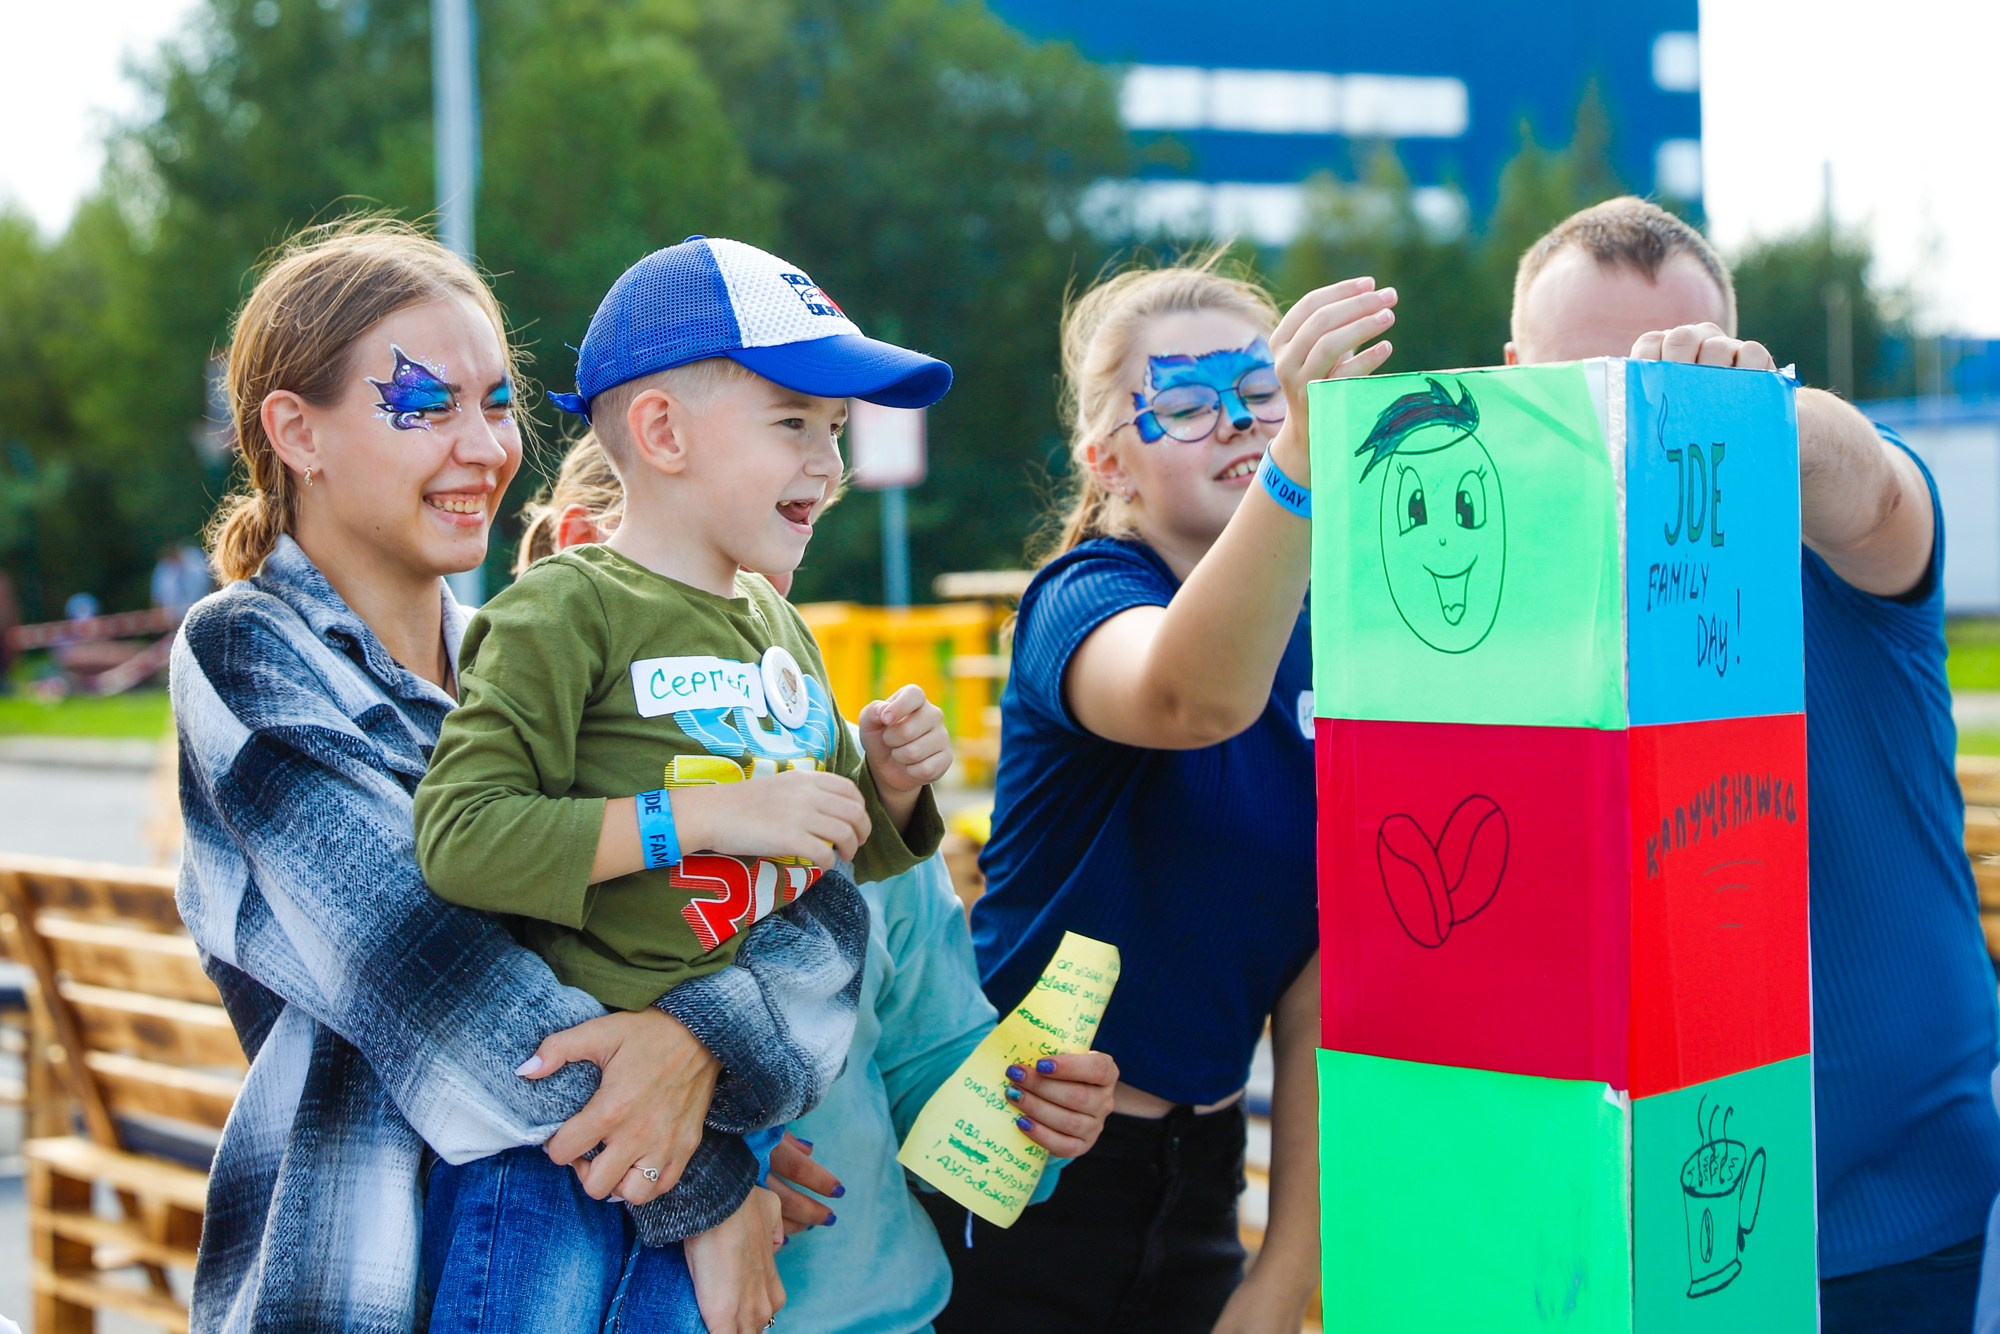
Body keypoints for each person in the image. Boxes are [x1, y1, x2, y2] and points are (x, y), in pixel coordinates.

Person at [170, 219, 814, 1333]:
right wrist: (705, 1182)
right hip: (367, 1281)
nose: (482, 445)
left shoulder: (524, 655)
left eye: (495, 401)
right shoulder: (246, 651)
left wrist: (698, 1049)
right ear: (296, 431)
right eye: (425, 404)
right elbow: (430, 971)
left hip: (612, 1262)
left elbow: (808, 900)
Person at [412, 233, 958, 1325]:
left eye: (838, 432)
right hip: (563, 1159)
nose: (830, 466)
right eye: (794, 423)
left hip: (730, 1126)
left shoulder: (779, 626)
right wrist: (699, 816)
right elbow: (459, 837)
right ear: (660, 432)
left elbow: (840, 859)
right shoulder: (564, 606)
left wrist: (891, 788)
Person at [1508, 195, 2000, 1332]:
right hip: (1591, 1238)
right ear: (1512, 379)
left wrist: (1747, 419)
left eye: (1669, 378)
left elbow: (1868, 484)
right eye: (1582, 388)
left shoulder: (1834, 532)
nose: (1629, 423)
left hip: (1885, 1234)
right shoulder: (1489, 597)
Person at [519, 432, 1124, 1332]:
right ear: (579, 547)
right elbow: (495, 1099)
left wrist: (1034, 1120)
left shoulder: (856, 798)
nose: (751, 615)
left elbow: (927, 1069)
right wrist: (724, 1170)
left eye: (771, 566)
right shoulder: (521, 826)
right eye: (720, 570)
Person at [928, 253, 1396, 1333]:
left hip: (1200, 1175)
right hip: (1012, 1161)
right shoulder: (1078, 598)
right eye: (1185, 403)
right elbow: (1191, 695)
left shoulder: (1342, 638)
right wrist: (1297, 463)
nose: (1236, 420)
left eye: (1260, 391)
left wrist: (1280, 1277)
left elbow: (1325, 975)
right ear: (1108, 461)